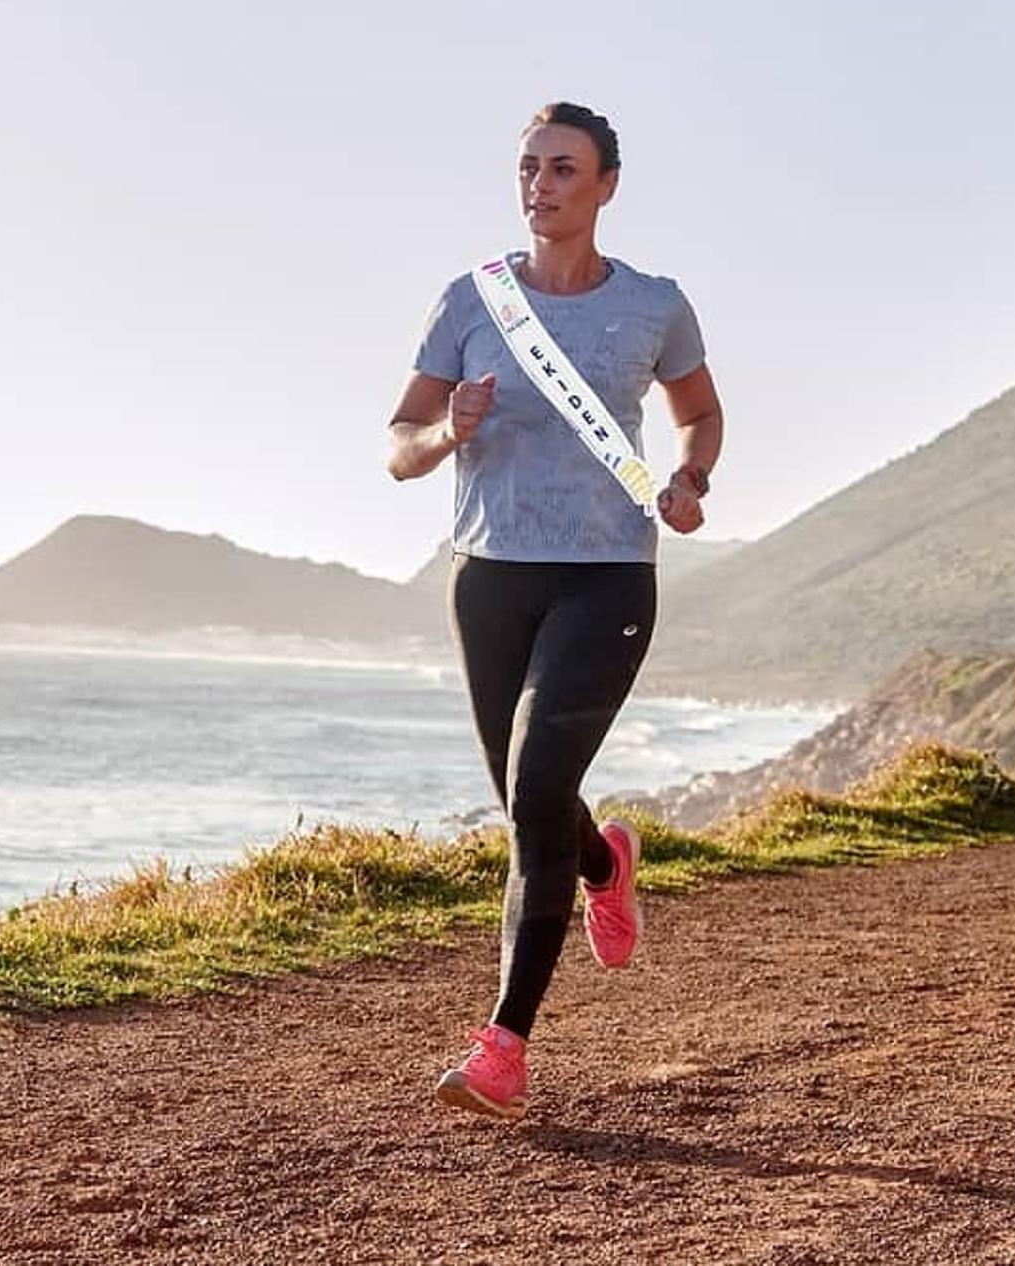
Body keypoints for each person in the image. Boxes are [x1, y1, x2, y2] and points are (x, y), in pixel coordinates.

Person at [386, 102, 724, 1120]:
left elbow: (699, 412)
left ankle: (504, 1046)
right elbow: (397, 445)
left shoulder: (654, 306)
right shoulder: (470, 298)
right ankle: (600, 859)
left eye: (563, 168)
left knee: (537, 783)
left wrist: (691, 475)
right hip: (490, 575)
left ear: (606, 184)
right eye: (529, 167)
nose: (540, 183)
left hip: (606, 574)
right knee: (527, 800)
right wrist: (447, 429)